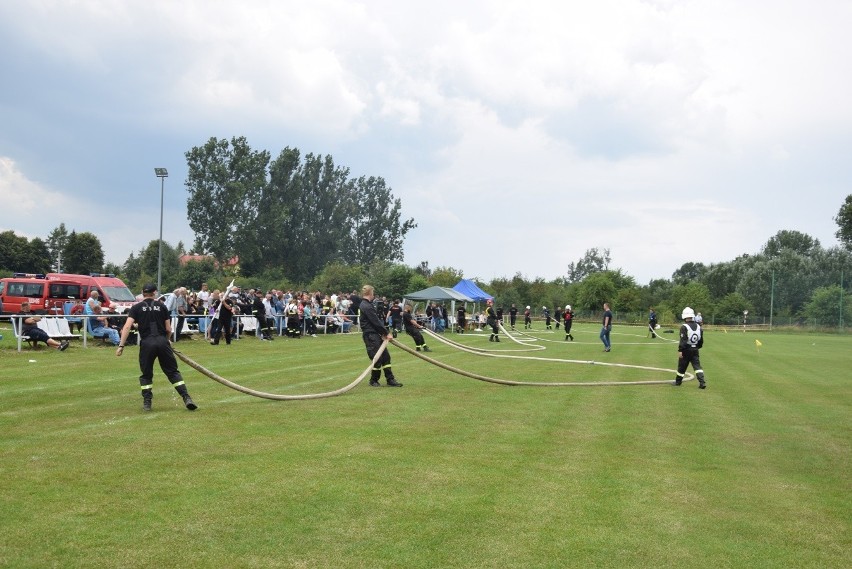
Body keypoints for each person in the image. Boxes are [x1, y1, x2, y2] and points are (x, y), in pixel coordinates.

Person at [117, 283, 197, 412]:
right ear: (155, 293)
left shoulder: (136, 308)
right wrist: (166, 340)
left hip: (147, 343)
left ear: (143, 293)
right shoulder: (162, 306)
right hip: (162, 342)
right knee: (172, 372)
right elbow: (168, 329)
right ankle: (186, 398)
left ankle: (147, 403)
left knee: (146, 374)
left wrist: (121, 345)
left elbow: (126, 327)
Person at [358, 285, 402, 387]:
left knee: (386, 357)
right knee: (377, 358)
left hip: (375, 334)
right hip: (370, 335)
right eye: (373, 293)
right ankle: (373, 380)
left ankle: (390, 379)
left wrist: (382, 333)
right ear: (370, 293)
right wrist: (386, 333)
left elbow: (375, 322)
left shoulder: (366, 305)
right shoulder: (367, 306)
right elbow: (376, 322)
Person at [672, 307, 706, 389]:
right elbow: (701, 340)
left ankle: (678, 382)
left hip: (686, 350)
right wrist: (697, 347)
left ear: (684, 316)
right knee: (697, 367)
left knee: (682, 367)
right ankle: (702, 382)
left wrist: (680, 350)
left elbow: (683, 340)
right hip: (695, 349)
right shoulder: (698, 326)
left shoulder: (684, 327)